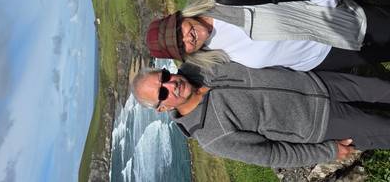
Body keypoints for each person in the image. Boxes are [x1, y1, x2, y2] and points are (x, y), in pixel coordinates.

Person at [131, 62, 390, 167]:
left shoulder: (198, 66)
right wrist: (328, 152)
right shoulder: (212, 137)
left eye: (163, 77)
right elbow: (271, 154)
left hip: (316, 82)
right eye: (162, 94)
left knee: (384, 88)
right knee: (384, 130)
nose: (170, 85)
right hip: (321, 124)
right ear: (163, 108)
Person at [146, 0, 390, 72]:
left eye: (178, 31)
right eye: (181, 46)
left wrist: (329, 5)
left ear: (179, 17)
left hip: (336, 21)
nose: (186, 38)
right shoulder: (216, 57)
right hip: (328, 59)